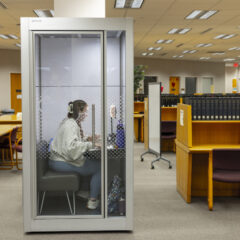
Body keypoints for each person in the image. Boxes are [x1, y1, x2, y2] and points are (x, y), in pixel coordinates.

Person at [49, 100, 101, 210]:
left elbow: (73, 140)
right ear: (79, 111)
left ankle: (84, 192)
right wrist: (90, 145)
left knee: (91, 164)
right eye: (85, 111)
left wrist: (87, 139)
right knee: (99, 168)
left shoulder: (70, 122)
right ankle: (92, 201)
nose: (86, 115)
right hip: (60, 162)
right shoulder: (70, 125)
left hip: (59, 159)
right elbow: (71, 148)